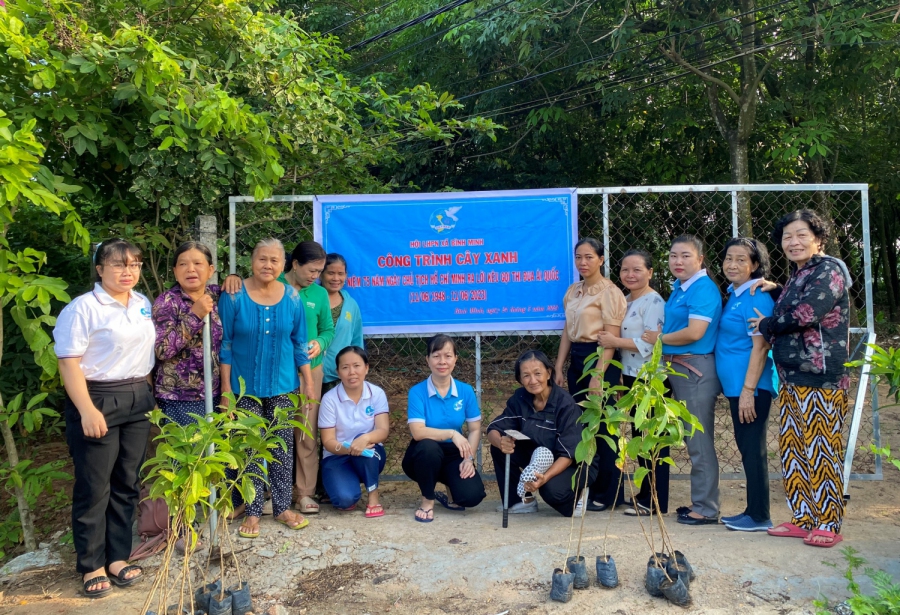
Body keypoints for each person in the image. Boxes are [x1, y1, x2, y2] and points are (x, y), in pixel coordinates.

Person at [54, 238, 154, 598]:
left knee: (127, 482)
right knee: (95, 486)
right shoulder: (83, 308)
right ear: (100, 269)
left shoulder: (142, 303)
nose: (128, 271)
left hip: (137, 397)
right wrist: (86, 409)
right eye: (118, 264)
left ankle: (117, 557)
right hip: (96, 397)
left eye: (134, 265)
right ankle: (91, 564)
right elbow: (68, 362)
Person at [749, 210, 852, 548]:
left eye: (800, 235)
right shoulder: (800, 274)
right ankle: (803, 518)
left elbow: (808, 313)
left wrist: (766, 325)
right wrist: (779, 288)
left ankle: (828, 522)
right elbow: (796, 301)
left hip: (821, 377)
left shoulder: (830, 270)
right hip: (792, 377)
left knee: (821, 449)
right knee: (795, 449)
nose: (793, 242)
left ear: (818, 238)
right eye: (787, 237)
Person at [219, 238, 314, 539]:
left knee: (281, 448)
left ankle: (283, 507)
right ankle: (253, 510)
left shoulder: (293, 298)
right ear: (251, 260)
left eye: (274, 260)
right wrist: (225, 391)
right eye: (262, 259)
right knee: (250, 448)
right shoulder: (234, 296)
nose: (268, 265)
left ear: (283, 263)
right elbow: (225, 346)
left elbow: (300, 344)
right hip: (243, 389)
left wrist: (308, 383)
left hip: (283, 386)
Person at [642, 234, 722, 525]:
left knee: (699, 440)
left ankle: (707, 508)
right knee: (691, 438)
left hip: (694, 370)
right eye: (673, 255)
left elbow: (695, 332)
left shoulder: (702, 288)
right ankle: (701, 502)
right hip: (677, 368)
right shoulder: (682, 287)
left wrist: (658, 339)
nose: (678, 261)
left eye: (685, 255)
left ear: (700, 259)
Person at [554, 238, 627, 513]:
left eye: (589, 257)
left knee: (605, 426)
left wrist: (599, 376)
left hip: (600, 359)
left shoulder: (609, 293)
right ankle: (590, 484)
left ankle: (611, 492)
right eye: (578, 257)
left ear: (601, 259)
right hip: (577, 361)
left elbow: (612, 337)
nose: (583, 263)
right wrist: (559, 366)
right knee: (584, 426)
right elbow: (567, 331)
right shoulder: (574, 291)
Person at [596, 249, 669, 516]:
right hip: (629, 377)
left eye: (637, 269)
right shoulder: (626, 300)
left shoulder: (654, 302)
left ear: (650, 272)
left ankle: (656, 500)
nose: (630, 274)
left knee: (653, 440)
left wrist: (615, 342)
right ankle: (645, 495)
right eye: (625, 269)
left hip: (649, 378)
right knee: (639, 437)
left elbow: (651, 343)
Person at [715, 238, 778, 532]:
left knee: (753, 449)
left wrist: (748, 391)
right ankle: (753, 511)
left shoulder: (755, 296)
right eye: (729, 258)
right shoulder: (737, 293)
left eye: (742, 260)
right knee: (747, 447)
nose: (733, 264)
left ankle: (759, 515)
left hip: (751, 388)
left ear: (755, 265)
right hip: (737, 388)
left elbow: (761, 346)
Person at [487, 350, 596, 517]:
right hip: (540, 453)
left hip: (574, 461)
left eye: (537, 373)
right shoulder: (520, 397)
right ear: (520, 379)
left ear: (549, 373)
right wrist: (500, 441)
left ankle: (579, 494)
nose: (532, 380)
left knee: (551, 490)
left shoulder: (565, 404)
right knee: (498, 448)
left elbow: (568, 455)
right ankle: (522, 501)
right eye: (526, 375)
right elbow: (494, 428)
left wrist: (544, 478)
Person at [402, 334, 486, 522]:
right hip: (424, 452)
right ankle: (427, 499)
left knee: (471, 497)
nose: (442, 361)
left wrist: (468, 459)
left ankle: (449, 486)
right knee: (428, 448)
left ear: (456, 359)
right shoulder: (417, 391)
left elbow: (474, 429)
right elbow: (417, 432)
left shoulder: (466, 391)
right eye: (436, 355)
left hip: (453, 453)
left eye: (448, 356)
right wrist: (451, 433)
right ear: (427, 359)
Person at [281, 241, 335, 515]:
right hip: (279, 369)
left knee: (306, 432)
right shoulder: (274, 285)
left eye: (319, 271)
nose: (316, 276)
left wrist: (320, 343)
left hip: (311, 370)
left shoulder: (320, 294)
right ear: (295, 264)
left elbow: (328, 329)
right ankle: (272, 493)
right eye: (312, 270)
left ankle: (304, 493)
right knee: (276, 431)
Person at [153, 241, 223, 426]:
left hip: (215, 394)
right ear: (175, 271)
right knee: (187, 453)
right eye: (183, 264)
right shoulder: (167, 302)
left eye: (198, 264)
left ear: (210, 270)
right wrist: (195, 315)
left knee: (214, 452)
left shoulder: (218, 296)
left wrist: (234, 278)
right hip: (178, 397)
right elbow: (162, 350)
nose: (190, 269)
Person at [318, 346, 388, 518]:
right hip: (337, 455)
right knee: (344, 500)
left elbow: (383, 430)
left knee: (363, 445)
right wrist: (350, 448)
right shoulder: (329, 399)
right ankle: (348, 484)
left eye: (357, 366)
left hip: (370, 453)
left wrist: (364, 439)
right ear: (338, 372)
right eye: (345, 367)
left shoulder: (376, 393)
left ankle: (373, 496)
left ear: (366, 368)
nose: (352, 372)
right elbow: (328, 441)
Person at [320, 253, 364, 395]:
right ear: (321, 274)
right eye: (331, 273)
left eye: (341, 274)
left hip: (339, 376)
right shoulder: (310, 301)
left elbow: (357, 341)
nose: (336, 278)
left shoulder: (351, 305)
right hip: (310, 372)